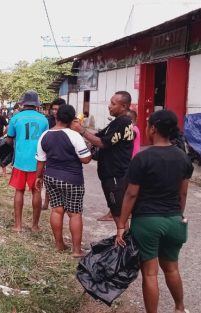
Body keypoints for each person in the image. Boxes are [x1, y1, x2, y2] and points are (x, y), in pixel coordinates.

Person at [115, 110, 193, 313]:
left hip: (147, 222)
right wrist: (178, 214)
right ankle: (180, 308)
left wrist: (122, 225)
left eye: (149, 124)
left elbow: (131, 194)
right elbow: (182, 193)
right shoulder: (183, 157)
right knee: (172, 267)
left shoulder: (142, 158)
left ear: (154, 128)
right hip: (174, 220)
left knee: (150, 274)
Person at [35, 104, 92, 257]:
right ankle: (76, 250)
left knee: (56, 210)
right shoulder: (74, 136)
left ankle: (59, 244)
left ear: (56, 116)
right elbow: (86, 159)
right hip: (72, 179)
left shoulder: (45, 135)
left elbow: (41, 161)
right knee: (74, 214)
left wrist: (38, 177)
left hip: (51, 177)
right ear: (72, 119)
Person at [71, 91, 135, 226]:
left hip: (115, 175)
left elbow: (102, 143)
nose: (109, 106)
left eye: (113, 104)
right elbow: (98, 137)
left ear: (123, 106)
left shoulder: (122, 122)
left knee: (118, 213)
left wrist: (81, 130)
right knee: (116, 210)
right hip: (111, 173)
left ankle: (123, 242)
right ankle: (123, 240)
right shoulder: (118, 122)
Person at [7, 90, 49, 232]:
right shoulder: (44, 120)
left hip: (20, 161)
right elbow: (46, 140)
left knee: (19, 191)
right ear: (36, 104)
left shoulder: (16, 118)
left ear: (23, 103)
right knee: (36, 192)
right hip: (38, 162)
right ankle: (35, 226)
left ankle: (18, 226)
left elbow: (9, 139)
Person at [42, 98, 65, 210]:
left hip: (64, 153)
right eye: (53, 109)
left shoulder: (68, 121)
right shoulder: (48, 121)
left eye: (57, 109)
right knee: (49, 178)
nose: (55, 112)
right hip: (49, 152)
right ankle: (46, 202)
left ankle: (62, 202)